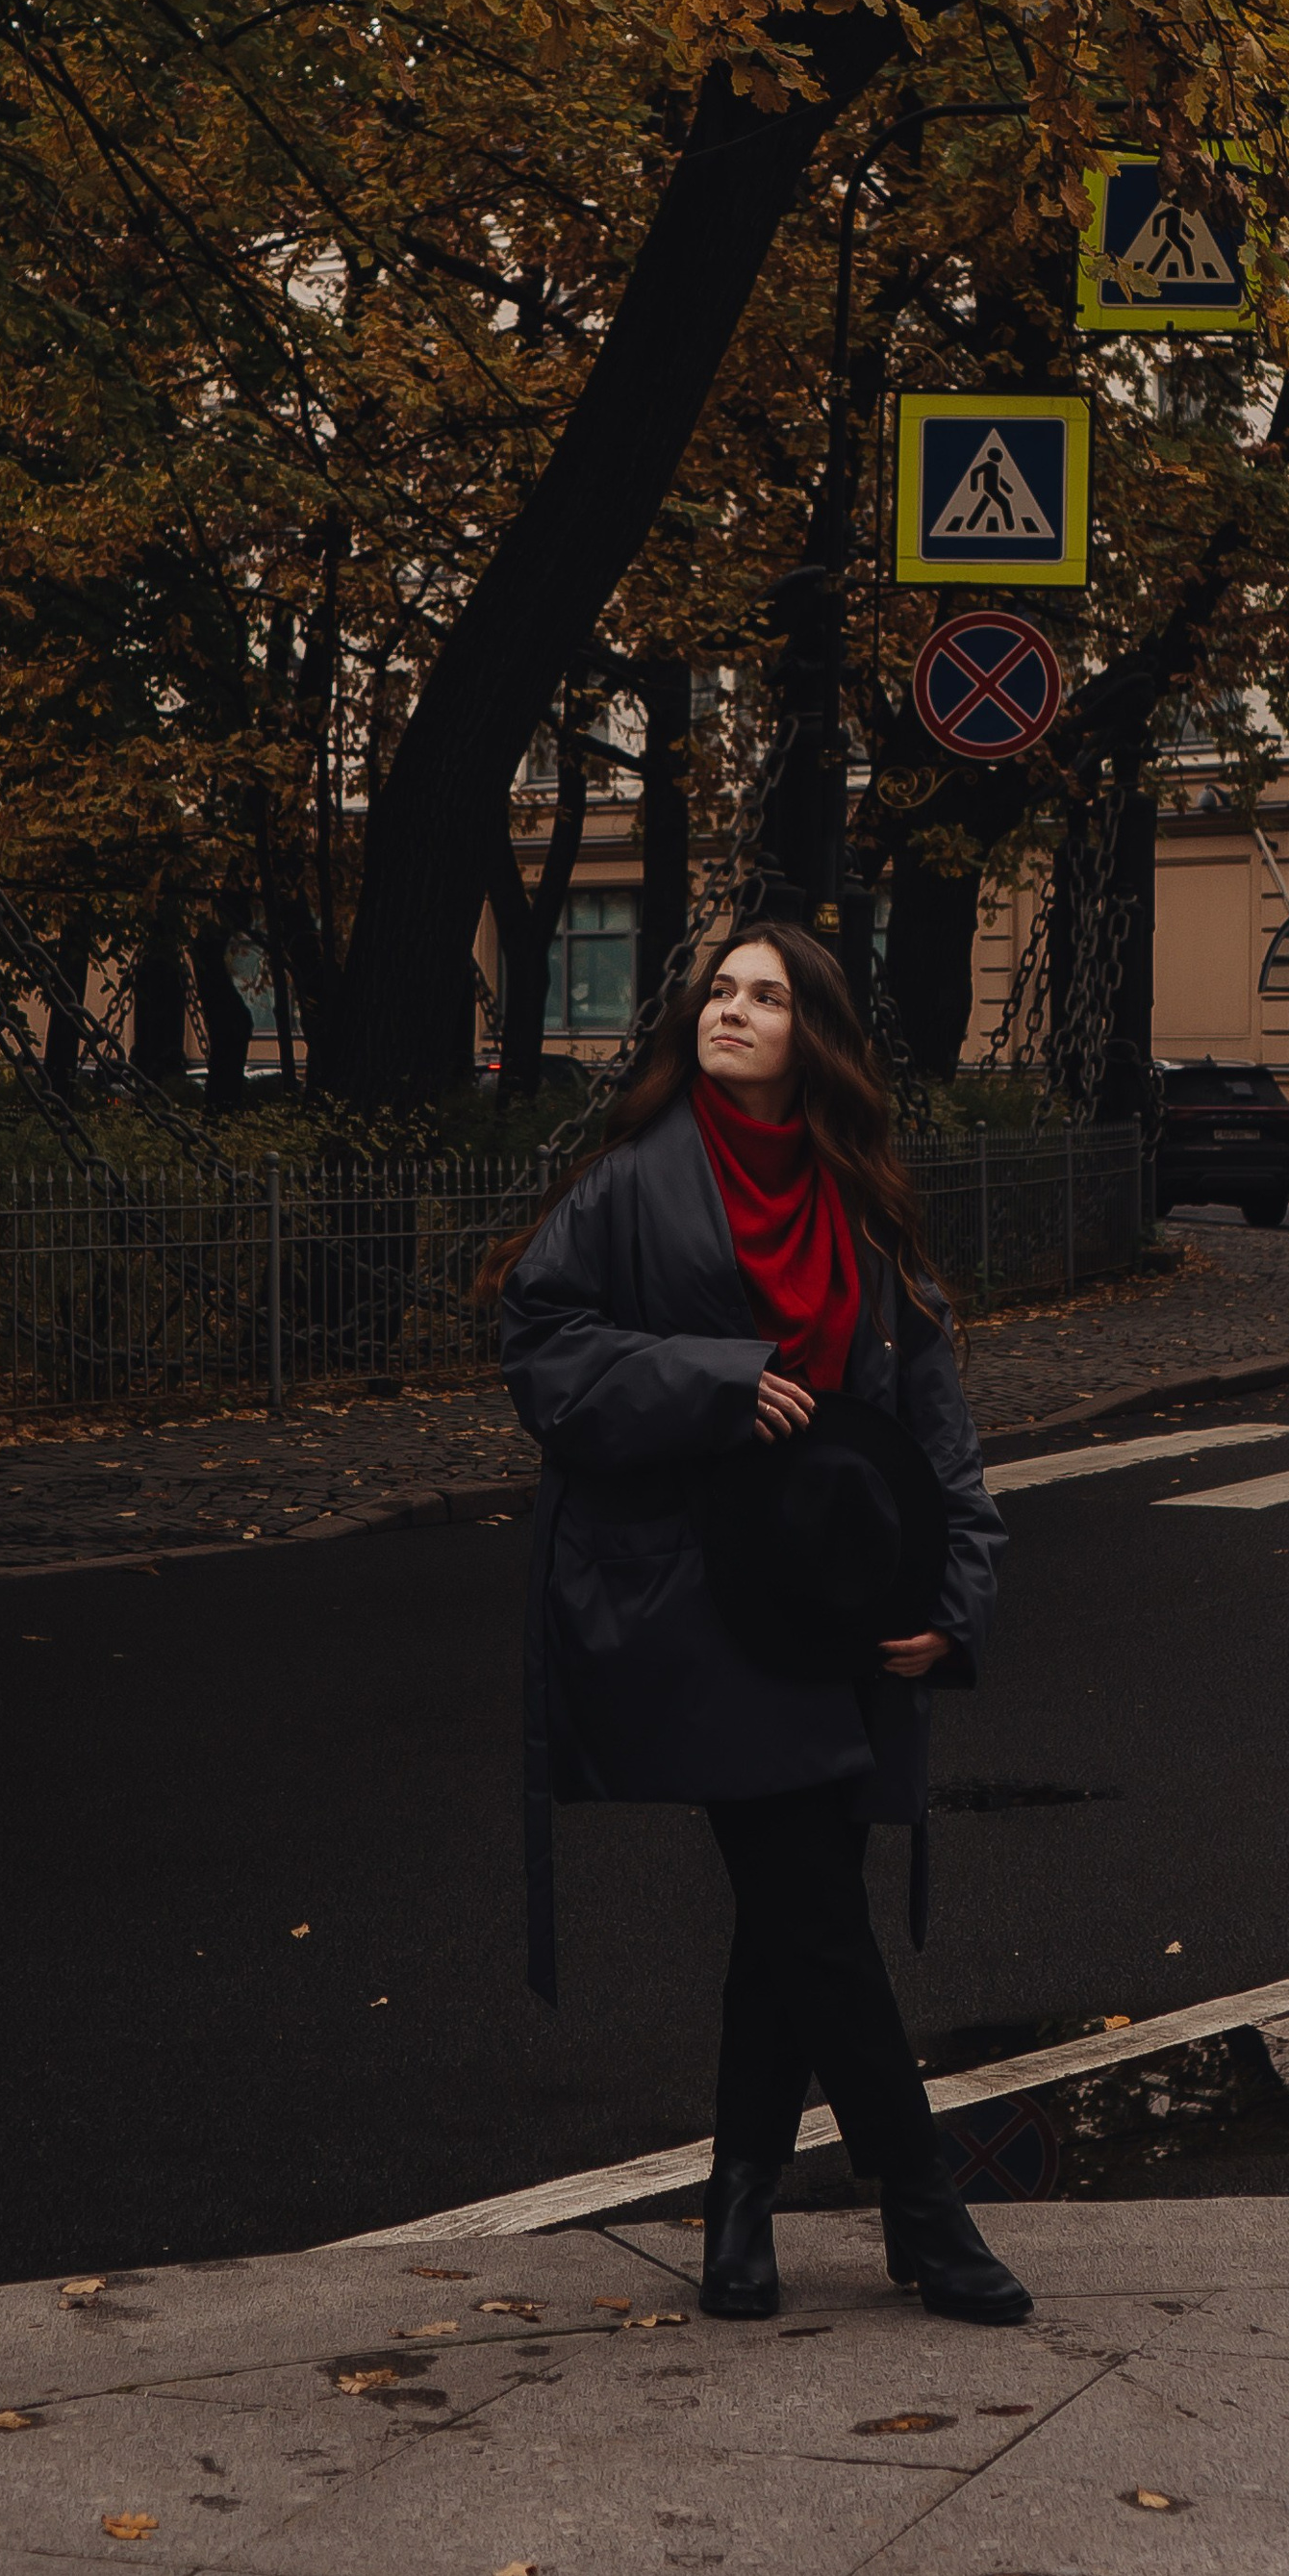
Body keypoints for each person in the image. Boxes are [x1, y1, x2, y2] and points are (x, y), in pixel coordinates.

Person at [492, 920, 1028, 2327]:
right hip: (701, 1604)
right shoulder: (632, 1188)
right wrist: (710, 1380)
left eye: (766, 995)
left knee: (792, 1925)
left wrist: (952, 1602)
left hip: (840, 1604)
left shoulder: (860, 1200)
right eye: (718, 991)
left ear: (815, 1037)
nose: (731, 1011)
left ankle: (740, 2206)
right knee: (813, 1907)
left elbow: (935, 1424)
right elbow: (539, 1344)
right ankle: (923, 2202)